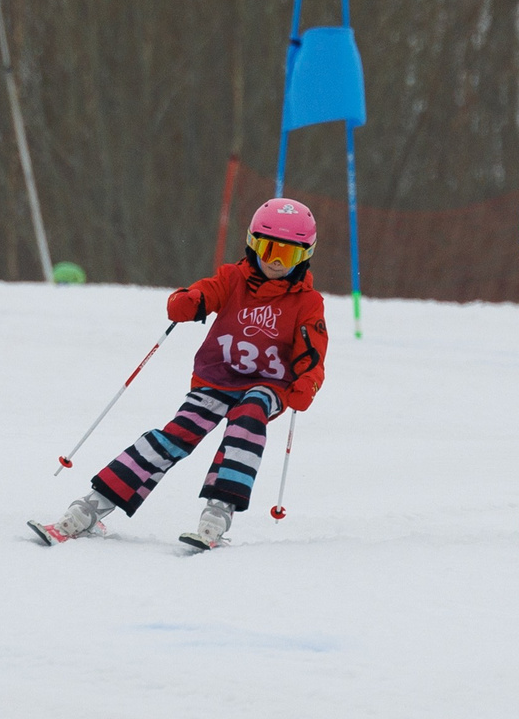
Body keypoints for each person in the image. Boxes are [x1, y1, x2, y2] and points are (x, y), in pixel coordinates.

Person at [33, 198, 329, 551]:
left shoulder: (307, 302)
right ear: (253, 245)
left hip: (268, 386)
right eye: (269, 249)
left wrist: (307, 382)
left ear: (305, 256)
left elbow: (312, 352)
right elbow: (206, 291)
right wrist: (190, 302)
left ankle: (218, 512)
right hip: (216, 378)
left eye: (289, 255)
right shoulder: (233, 278)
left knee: (249, 415)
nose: (277, 263)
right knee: (176, 435)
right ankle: (92, 505)